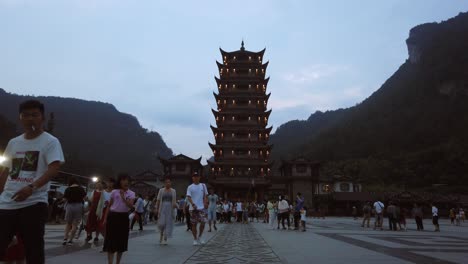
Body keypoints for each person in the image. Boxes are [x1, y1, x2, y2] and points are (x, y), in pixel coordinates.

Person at [0, 100, 64, 264]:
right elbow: (6, 171)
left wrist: (31, 187)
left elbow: (54, 168)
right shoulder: (14, 142)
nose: (30, 119)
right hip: (7, 203)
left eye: (34, 115)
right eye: (25, 115)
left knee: (33, 251)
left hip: (33, 203)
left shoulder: (50, 141)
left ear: (42, 117)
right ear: (20, 118)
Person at [103, 173, 135, 264]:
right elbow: (109, 206)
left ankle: (118, 262)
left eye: (127, 180)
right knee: (110, 241)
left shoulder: (131, 193)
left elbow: (130, 206)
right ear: (120, 182)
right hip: (113, 217)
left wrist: (123, 197)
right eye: (123, 180)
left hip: (124, 217)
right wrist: (105, 218)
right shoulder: (114, 192)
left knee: (121, 242)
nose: (126, 182)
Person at [62, 177, 87, 245]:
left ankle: (65, 239)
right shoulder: (81, 189)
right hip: (78, 206)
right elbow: (84, 198)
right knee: (75, 224)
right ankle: (70, 240)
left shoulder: (68, 189)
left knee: (68, 223)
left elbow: (64, 199)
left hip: (69, 206)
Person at [186, 172, 208, 246]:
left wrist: (205, 203)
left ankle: (200, 236)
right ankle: (195, 239)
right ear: (192, 178)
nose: (196, 178)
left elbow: (205, 195)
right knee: (194, 224)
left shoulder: (203, 185)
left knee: (203, 222)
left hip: (201, 207)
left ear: (199, 177)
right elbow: (188, 197)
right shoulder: (190, 187)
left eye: (197, 176)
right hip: (193, 208)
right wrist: (192, 204)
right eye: (194, 176)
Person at [155, 177, 177, 245]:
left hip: (170, 208)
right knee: (162, 223)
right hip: (162, 207)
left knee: (168, 223)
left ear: (171, 183)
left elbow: (174, 200)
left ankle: (165, 238)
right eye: (166, 182)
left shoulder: (173, 191)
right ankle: (161, 236)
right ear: (164, 183)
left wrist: (174, 205)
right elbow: (158, 200)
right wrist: (156, 208)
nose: (168, 183)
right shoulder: (161, 190)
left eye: (169, 182)